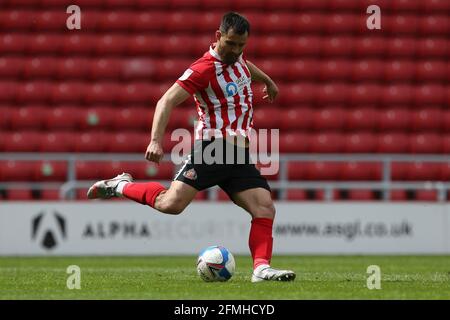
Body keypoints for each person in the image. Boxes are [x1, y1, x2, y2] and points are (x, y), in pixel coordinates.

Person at [87, 12, 295, 283]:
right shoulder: (203, 69)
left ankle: (260, 269)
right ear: (218, 36)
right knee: (171, 204)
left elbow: (245, 65)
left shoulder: (237, 57)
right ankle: (119, 185)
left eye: (241, 45)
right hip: (213, 148)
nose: (236, 50)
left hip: (239, 155)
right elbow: (166, 101)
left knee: (265, 208)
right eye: (231, 44)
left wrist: (267, 80)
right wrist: (155, 140)